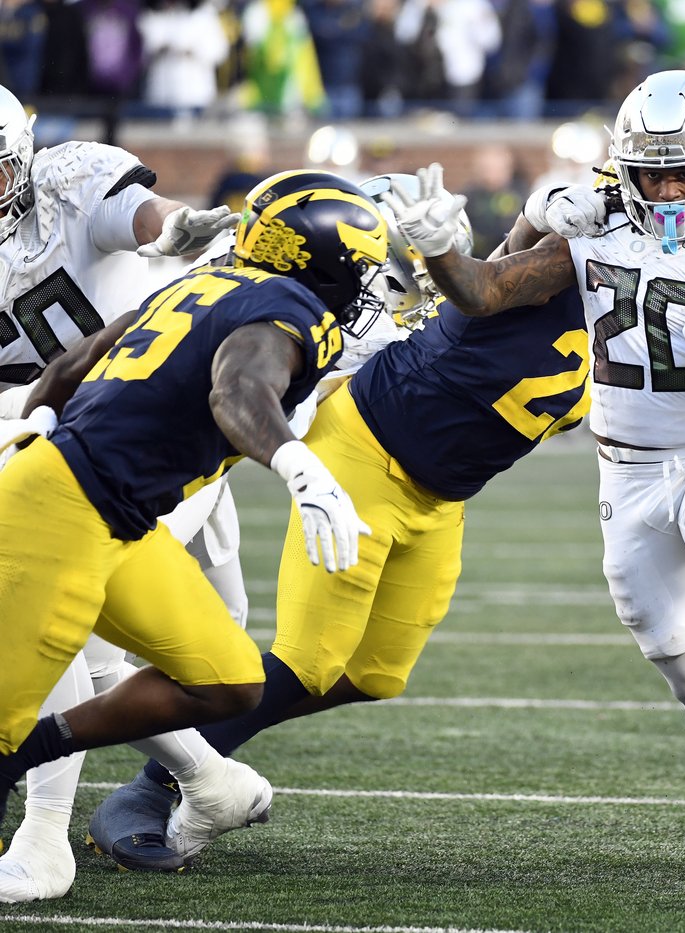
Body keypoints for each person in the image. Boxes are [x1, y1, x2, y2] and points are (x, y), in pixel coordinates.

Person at [89, 170, 685, 871]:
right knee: (307, 661)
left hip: (439, 498)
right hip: (362, 456)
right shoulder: (557, 279)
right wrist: (525, 216)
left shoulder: (639, 337)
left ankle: (179, 760)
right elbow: (484, 284)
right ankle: (166, 781)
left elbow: (670, 426)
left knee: (372, 674)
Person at [383, 69, 685, 879]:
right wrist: (437, 245)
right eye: (650, 173)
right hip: (628, 472)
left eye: (684, 172)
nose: (666, 190)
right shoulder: (596, 223)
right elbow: (485, 293)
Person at [0, 168, 386, 889]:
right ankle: (32, 816)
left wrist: (39, 424)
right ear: (322, 261)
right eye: (359, 267)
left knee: (229, 680)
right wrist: (300, 467)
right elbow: (237, 389)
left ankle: (30, 755)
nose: (363, 287)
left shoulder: (200, 283)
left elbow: (72, 362)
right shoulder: (291, 307)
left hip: (120, 518)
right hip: (61, 506)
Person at [0, 84, 266, 903]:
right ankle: (191, 787)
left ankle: (72, 820)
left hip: (138, 424)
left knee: (121, 633)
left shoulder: (69, 181)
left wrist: (174, 229)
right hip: (35, 432)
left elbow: (148, 218)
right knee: (75, 627)